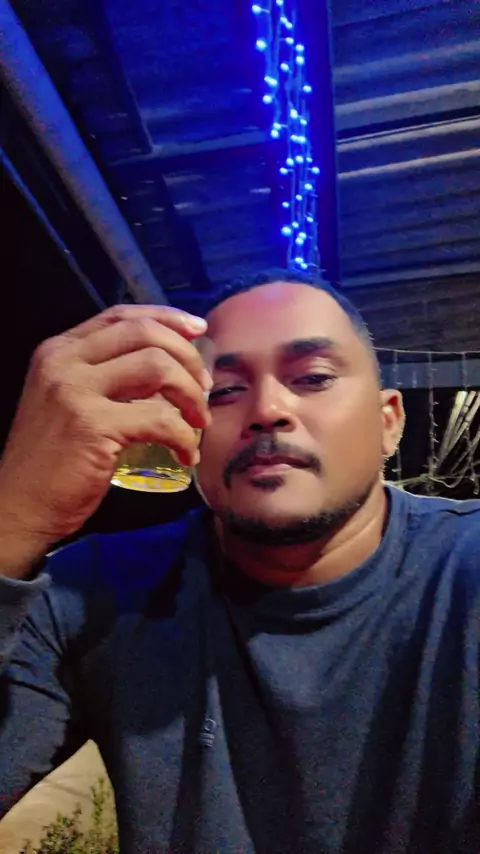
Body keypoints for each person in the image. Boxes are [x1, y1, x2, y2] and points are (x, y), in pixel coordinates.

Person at [0, 269, 478, 854]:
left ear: (389, 422)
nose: (267, 409)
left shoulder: (467, 568)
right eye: (223, 391)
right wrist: (15, 517)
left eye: (313, 377)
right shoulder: (95, 592)